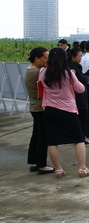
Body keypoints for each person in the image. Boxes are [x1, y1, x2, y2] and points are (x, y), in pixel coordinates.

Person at [39, 48, 89, 178]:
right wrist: (73, 76)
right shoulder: (68, 73)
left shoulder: (43, 72)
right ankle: (82, 169)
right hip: (68, 110)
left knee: (52, 141)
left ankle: (58, 169)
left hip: (50, 110)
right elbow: (80, 89)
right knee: (78, 140)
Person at [24, 47, 54, 175]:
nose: (47, 61)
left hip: (35, 107)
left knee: (36, 135)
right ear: (36, 59)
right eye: (45, 58)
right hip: (40, 107)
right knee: (42, 137)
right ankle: (42, 165)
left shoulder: (30, 69)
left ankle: (34, 161)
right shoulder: (36, 72)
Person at [68, 48, 89, 146]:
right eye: (79, 56)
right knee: (82, 117)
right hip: (79, 95)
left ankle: (78, 137)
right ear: (73, 56)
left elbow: (82, 76)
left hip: (76, 95)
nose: (81, 58)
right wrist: (86, 78)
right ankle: (82, 138)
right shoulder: (72, 67)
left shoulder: (75, 66)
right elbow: (81, 79)